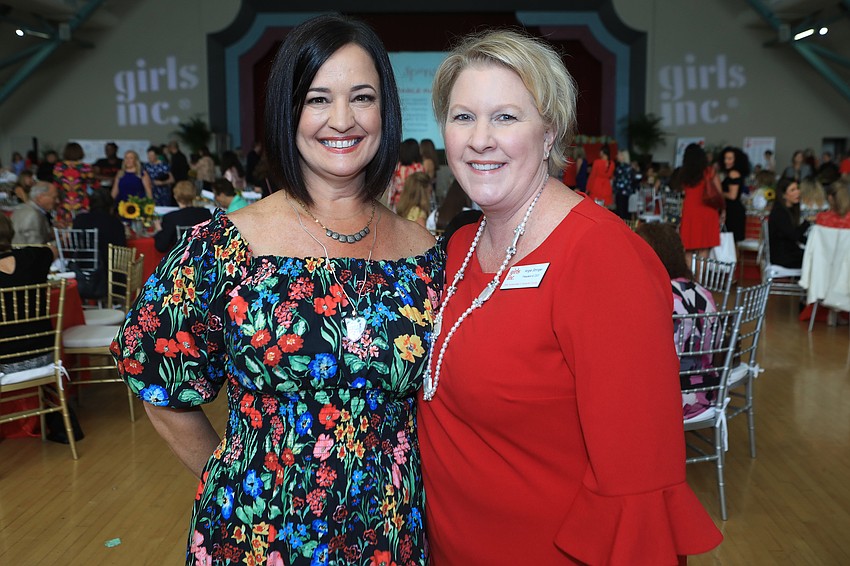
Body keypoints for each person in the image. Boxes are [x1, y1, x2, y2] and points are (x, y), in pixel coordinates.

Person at [111, 13, 441, 565]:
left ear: (386, 111)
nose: (342, 119)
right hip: (256, 539)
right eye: (317, 99)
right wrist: (233, 478)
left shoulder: (426, 255)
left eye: (362, 97)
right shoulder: (224, 247)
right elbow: (158, 381)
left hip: (388, 538)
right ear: (288, 112)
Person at [417, 29, 721, 565]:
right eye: (463, 117)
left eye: (506, 117)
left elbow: (637, 478)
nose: (480, 139)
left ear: (550, 131)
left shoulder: (603, 257)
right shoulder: (460, 246)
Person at [635, 223, 719, 419]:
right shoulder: (703, 292)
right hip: (706, 393)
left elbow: (647, 358)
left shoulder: (657, 297)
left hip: (669, 399)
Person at [679, 143, 721, 262]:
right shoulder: (709, 172)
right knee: (704, 247)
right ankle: (700, 274)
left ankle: (689, 274)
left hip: (689, 211)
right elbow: (718, 193)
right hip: (707, 210)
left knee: (688, 247)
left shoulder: (684, 173)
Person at [153, 180, 212, 252]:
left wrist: (159, 230)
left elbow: (161, 247)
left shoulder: (171, 218)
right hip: (202, 256)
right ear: (194, 195)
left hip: (180, 257)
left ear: (175, 196)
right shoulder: (205, 213)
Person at [72, 189, 126, 263]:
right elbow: (121, 249)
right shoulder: (115, 223)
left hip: (81, 264)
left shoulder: (79, 219)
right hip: (108, 266)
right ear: (110, 206)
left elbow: (74, 243)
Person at [769, 177, 809, 269]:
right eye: (792, 190)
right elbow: (794, 235)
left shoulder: (789, 210)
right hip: (782, 256)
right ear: (783, 195)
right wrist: (807, 222)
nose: (798, 192)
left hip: (789, 252)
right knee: (816, 258)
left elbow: (795, 234)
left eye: (797, 188)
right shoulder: (780, 212)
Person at [53, 142, 93, 227]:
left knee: (63, 225)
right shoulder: (86, 168)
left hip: (64, 199)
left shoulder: (58, 167)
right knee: (81, 225)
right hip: (80, 199)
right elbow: (92, 183)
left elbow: (56, 185)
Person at [719, 146, 750, 242]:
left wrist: (718, 192)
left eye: (730, 159)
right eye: (725, 158)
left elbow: (732, 196)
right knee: (732, 242)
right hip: (733, 210)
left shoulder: (733, 173)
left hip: (732, 211)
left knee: (730, 241)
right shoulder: (734, 173)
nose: (726, 161)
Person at [387, 138, 425, 209]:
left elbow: (392, 188)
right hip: (414, 203)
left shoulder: (397, 167)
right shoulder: (418, 168)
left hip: (398, 203)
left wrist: (390, 203)